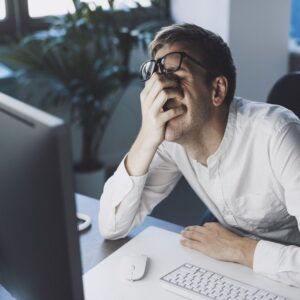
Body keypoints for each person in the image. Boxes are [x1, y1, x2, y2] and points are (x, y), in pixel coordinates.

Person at [98, 23, 300, 287]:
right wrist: (147, 136)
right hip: (231, 269)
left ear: (217, 90)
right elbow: (112, 227)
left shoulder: (278, 136)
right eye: (156, 79)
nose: (162, 92)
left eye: (175, 75)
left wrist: (240, 249)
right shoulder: (171, 139)